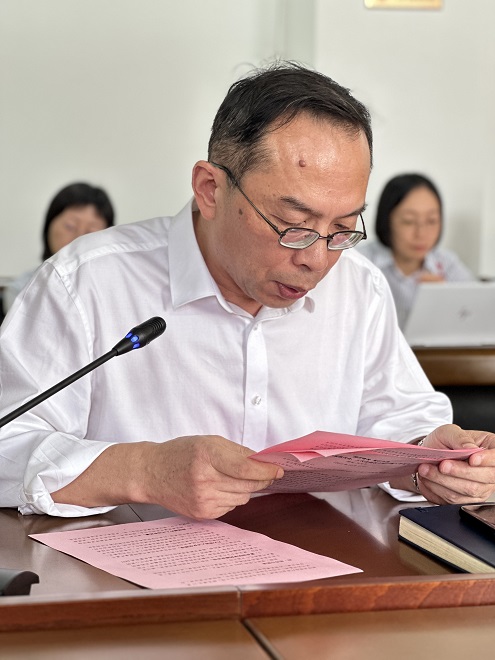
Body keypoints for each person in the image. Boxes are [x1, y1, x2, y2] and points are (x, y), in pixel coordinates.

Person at [0, 62, 494, 520]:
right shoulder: (86, 283)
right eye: (294, 225)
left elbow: (400, 416)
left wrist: (433, 458)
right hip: (123, 575)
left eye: (343, 229)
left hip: (326, 569)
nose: (317, 258)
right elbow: (8, 444)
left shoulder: (360, 288)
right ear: (210, 190)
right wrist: (144, 470)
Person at [359, 174, 475, 329]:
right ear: (386, 221)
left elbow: (476, 314)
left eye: (431, 221)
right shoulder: (360, 263)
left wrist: (448, 301)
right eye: (409, 221)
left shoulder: (447, 264)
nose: (421, 234)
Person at [2, 182, 115, 314]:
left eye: (91, 232)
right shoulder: (23, 288)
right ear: (49, 225)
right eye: (70, 226)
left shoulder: (116, 289)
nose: (79, 238)